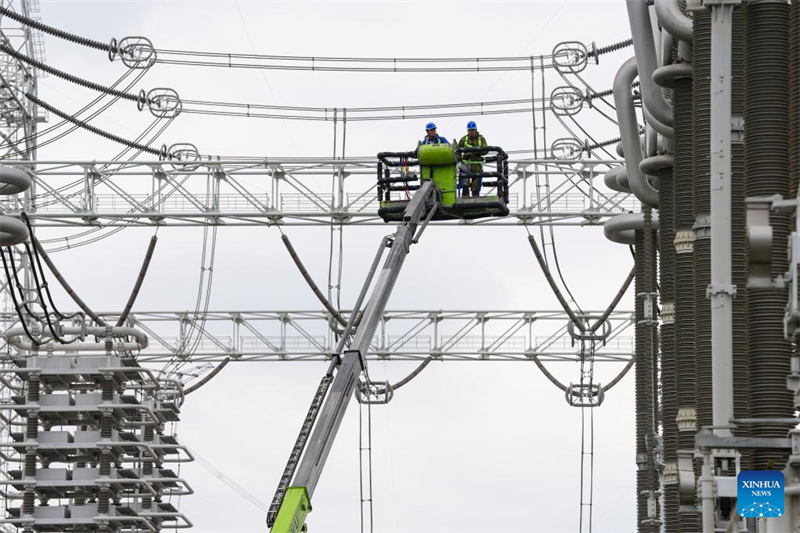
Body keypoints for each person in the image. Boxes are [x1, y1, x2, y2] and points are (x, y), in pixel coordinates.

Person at [457, 121, 488, 198]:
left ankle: (475, 197)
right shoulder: (464, 139)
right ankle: (465, 196)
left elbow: (486, 150)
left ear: (476, 130)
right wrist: (459, 161)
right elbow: (457, 150)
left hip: (477, 164)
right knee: (465, 181)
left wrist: (477, 151)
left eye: (473, 130)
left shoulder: (481, 139)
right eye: (470, 130)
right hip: (466, 163)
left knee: (476, 182)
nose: (471, 132)